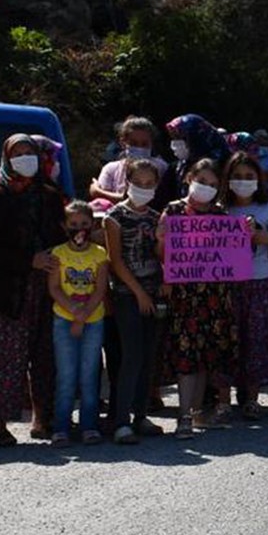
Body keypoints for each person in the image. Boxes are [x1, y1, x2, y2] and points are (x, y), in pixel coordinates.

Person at [0, 135, 63, 446]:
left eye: (30, 152)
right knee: (5, 358)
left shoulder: (50, 196)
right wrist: (29, 260)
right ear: (6, 158)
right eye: (18, 153)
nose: (25, 158)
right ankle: (0, 425)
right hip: (7, 291)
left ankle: (43, 418)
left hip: (47, 288)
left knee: (45, 355)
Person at [158, 158, 239, 436]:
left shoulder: (222, 216)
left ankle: (194, 413)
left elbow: (235, 256)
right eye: (202, 181)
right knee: (185, 354)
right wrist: (161, 242)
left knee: (206, 354)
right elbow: (162, 253)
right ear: (189, 178)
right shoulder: (173, 211)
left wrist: (248, 234)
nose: (207, 188)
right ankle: (182, 415)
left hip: (215, 296)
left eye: (213, 184)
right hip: (184, 295)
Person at [103, 157, 167, 444]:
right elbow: (115, 261)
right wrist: (139, 293)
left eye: (149, 184)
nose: (143, 188)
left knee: (148, 356)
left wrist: (162, 242)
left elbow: (162, 255)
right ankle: (121, 421)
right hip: (128, 294)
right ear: (127, 182)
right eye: (138, 183)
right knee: (130, 356)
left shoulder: (157, 218)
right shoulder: (114, 217)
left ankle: (141, 414)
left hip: (154, 293)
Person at [223, 151, 268, 421]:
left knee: (256, 339)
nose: (243, 181)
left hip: (259, 281)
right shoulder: (219, 209)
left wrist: (265, 238)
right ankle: (224, 399)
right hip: (226, 285)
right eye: (237, 177)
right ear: (227, 180)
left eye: (249, 177)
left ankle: (252, 398)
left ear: (259, 179)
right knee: (228, 340)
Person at [48, 200, 110, 446]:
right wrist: (74, 311)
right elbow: (54, 287)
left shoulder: (100, 254)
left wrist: (84, 315)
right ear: (65, 226)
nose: (79, 228)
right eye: (73, 224)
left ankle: (89, 425)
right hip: (64, 319)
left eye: (84, 223)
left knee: (89, 374)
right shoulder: (58, 254)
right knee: (66, 375)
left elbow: (100, 288)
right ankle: (61, 426)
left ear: (92, 224)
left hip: (93, 320)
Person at [90, 116, 167, 204]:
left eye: (144, 144)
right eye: (133, 143)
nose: (139, 148)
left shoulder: (161, 167)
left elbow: (153, 200)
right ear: (123, 143)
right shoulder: (111, 169)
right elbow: (103, 203)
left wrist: (98, 192)